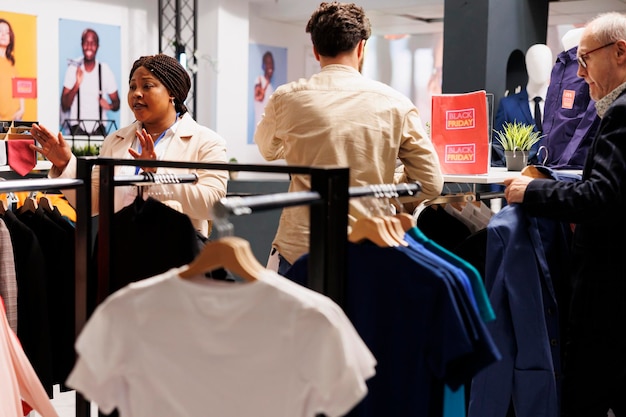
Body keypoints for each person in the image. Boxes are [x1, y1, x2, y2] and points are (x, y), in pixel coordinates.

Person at [254, 2, 444, 275]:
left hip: (299, 249)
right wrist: (390, 182)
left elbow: (267, 150)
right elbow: (431, 183)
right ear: (361, 48)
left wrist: (304, 143)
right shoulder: (396, 104)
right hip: (369, 248)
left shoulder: (287, 98)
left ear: (316, 50)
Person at [503, 12, 626, 417]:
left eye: (586, 59)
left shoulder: (621, 112)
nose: (580, 72)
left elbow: (602, 196)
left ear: (620, 52)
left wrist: (533, 190)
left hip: (607, 293)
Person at [31, 53, 228, 238]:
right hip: (119, 255)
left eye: (147, 86)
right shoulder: (115, 140)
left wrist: (156, 176)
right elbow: (93, 203)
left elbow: (213, 204)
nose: (137, 94)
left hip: (175, 256)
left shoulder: (206, 142)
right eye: (132, 87)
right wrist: (66, 163)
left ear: (172, 93)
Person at [491, 44, 553, 167]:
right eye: (535, 62)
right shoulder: (508, 105)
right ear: (527, 65)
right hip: (517, 179)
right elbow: (497, 152)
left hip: (552, 181)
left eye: (546, 63)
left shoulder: (559, 106)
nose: (541, 67)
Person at [60, 28, 120, 136]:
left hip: (99, 130)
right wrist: (77, 84)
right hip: (76, 129)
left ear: (98, 46)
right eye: (86, 43)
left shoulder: (105, 70)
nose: (89, 47)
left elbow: (117, 103)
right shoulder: (73, 69)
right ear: (81, 44)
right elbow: (64, 105)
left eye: (93, 43)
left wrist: (109, 106)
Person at [0, 18, 24, 121]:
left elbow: (20, 89)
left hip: (15, 119)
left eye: (7, 32)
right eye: (0, 31)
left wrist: (22, 109)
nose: (3, 34)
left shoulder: (12, 63)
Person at [253, 51, 275, 126]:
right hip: (259, 128)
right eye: (268, 63)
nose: (270, 66)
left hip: (267, 128)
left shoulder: (271, 87)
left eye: (272, 63)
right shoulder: (259, 80)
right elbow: (259, 97)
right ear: (263, 65)